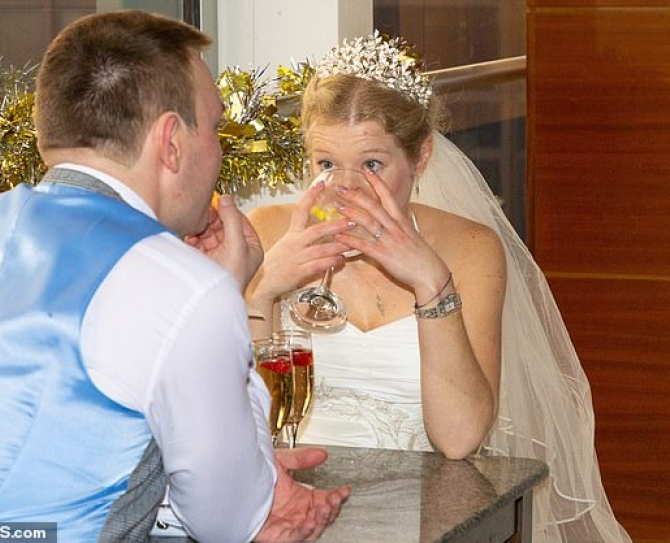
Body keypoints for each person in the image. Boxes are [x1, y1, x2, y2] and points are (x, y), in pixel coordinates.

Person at [0, 10, 349, 543]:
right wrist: (228, 297)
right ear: (171, 143)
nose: (219, 150)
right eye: (215, 128)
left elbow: (45, 454)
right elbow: (231, 520)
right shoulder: (182, 285)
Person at [246, 32, 631, 542]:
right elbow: (239, 423)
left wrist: (431, 282)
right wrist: (263, 289)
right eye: (326, 164)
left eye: (372, 164)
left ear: (421, 157)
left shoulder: (470, 248)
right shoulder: (268, 234)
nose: (346, 188)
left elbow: (459, 439)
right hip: (285, 506)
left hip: (424, 516)